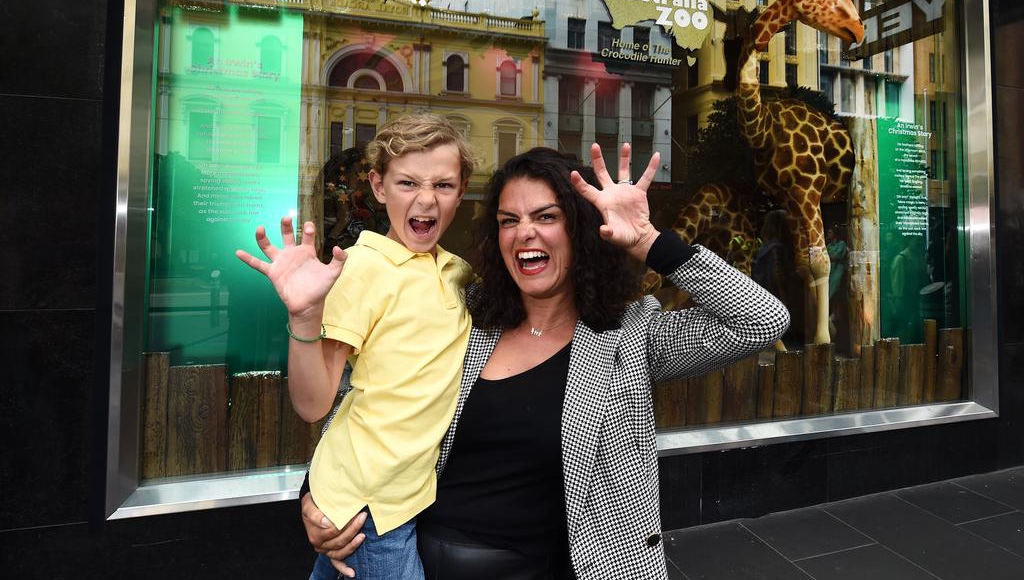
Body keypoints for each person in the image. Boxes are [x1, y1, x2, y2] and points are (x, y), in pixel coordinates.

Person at [300, 144, 790, 580]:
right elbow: (371, 399)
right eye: (509, 221)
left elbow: (762, 321)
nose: (524, 233)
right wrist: (320, 500)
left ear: (579, 230)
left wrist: (648, 242)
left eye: (546, 217)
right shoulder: (467, 311)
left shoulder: (631, 333)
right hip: (419, 559)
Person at [236, 113, 478, 580]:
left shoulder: (456, 271)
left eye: (443, 186)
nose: (425, 199)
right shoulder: (363, 267)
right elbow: (314, 403)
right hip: (369, 505)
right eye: (407, 182)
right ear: (379, 186)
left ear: (462, 191)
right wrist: (304, 316)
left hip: (404, 494)